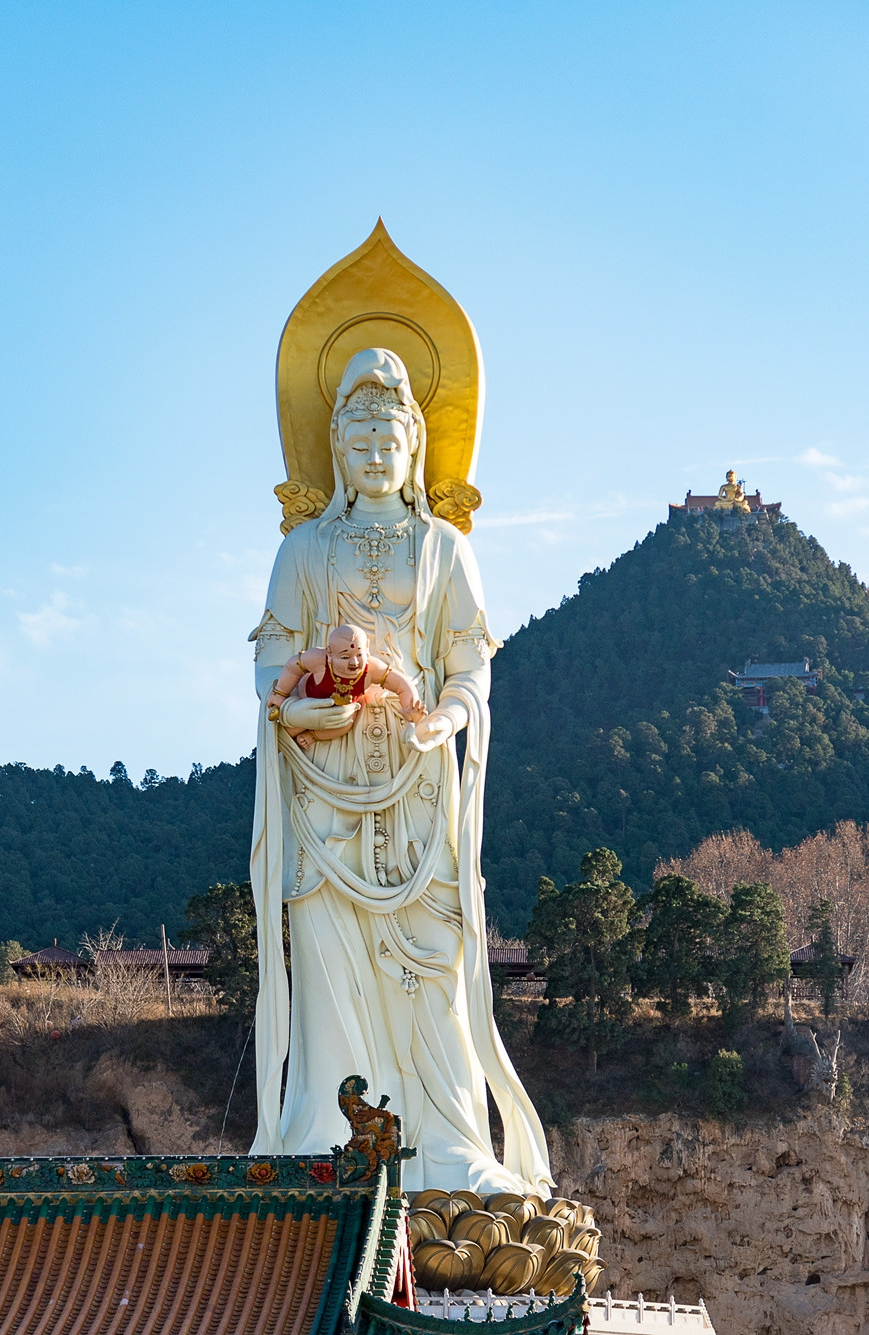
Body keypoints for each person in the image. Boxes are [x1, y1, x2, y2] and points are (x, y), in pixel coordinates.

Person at [247, 347, 552, 1194]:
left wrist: (448, 716)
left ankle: (450, 1152)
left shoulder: (445, 548)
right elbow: (271, 664)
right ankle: (330, 1147)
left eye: (390, 442)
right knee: (334, 972)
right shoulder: (304, 550)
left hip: (419, 791)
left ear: (415, 446)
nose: (376, 457)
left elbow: (469, 662)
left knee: (434, 972)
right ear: (336, 449)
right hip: (324, 794)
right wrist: (301, 711)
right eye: (361, 442)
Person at [266, 623, 425, 751]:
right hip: (308, 699)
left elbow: (401, 684)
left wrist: (411, 708)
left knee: (345, 725)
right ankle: (276, 747)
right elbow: (293, 667)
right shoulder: (319, 659)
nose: (354, 662)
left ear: (367, 648)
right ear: (329, 652)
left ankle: (313, 736)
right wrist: (280, 693)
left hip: (342, 713)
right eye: (344, 657)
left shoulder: (372, 669)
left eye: (359, 655)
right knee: (291, 730)